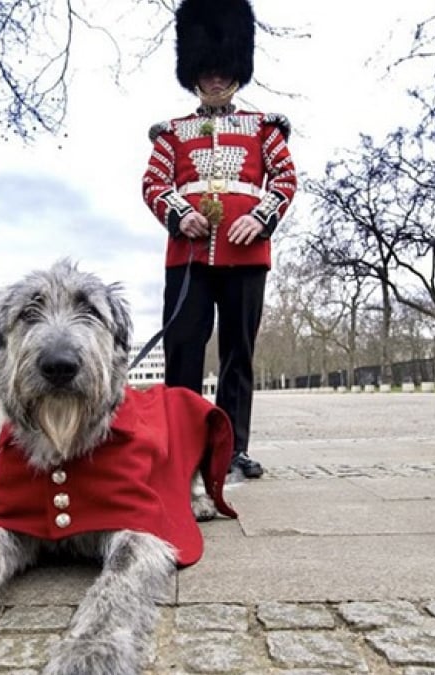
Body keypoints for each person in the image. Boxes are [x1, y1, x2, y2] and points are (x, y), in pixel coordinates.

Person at [141, 0, 297, 479]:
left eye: (221, 70)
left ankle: (232, 449)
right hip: (187, 258)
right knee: (184, 349)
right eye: (205, 71)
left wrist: (261, 218)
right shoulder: (173, 134)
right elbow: (153, 183)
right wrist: (180, 214)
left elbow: (285, 179)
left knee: (238, 353)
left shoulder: (264, 130)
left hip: (247, 256)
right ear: (194, 74)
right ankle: (181, 449)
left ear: (236, 70)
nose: (213, 79)